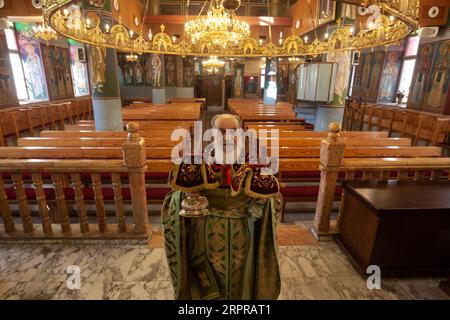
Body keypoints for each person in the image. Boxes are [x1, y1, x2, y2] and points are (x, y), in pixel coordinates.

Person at [162, 114, 282, 300]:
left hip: (244, 238)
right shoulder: (197, 165)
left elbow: (274, 201)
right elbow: (172, 198)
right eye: (221, 131)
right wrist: (187, 196)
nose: (227, 137)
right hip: (204, 239)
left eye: (233, 132)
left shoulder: (255, 165)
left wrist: (261, 202)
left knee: (243, 288)